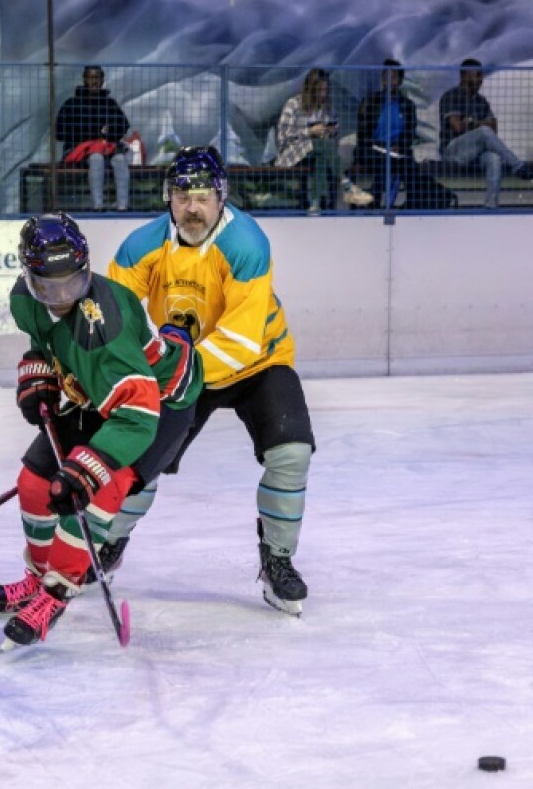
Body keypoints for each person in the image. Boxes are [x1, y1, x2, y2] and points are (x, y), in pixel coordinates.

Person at [107, 146, 314, 617]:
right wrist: (119, 376)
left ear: (222, 198)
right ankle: (109, 541)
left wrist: (172, 370)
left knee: (291, 451)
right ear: (168, 198)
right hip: (188, 369)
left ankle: (277, 560)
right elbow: (111, 321)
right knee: (137, 453)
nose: (193, 207)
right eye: (182, 196)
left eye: (203, 196)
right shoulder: (142, 247)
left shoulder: (246, 244)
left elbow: (241, 340)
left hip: (259, 363)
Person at [0, 213, 204, 648]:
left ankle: (58, 589)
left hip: (160, 403)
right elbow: (47, 343)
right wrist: (40, 373)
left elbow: (137, 419)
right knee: (35, 482)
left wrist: (86, 470)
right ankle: (37, 577)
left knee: (101, 485)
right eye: (50, 286)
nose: (63, 295)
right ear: (29, 277)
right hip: (102, 394)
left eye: (73, 281)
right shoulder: (24, 300)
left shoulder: (103, 332)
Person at [274, 68, 373, 214]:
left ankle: (315, 205)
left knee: (321, 157)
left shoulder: (327, 108)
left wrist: (330, 131)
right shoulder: (294, 105)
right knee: (321, 146)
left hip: (319, 152)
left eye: (325, 90)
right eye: (319, 90)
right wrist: (309, 131)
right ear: (311, 89)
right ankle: (347, 186)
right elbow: (282, 136)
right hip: (295, 154)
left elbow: (335, 130)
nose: (323, 94)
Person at [438, 58, 533, 209]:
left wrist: (469, 122)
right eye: (477, 75)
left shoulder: (481, 101)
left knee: (494, 158)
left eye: (481, 75)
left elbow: (493, 128)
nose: (481, 79)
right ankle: (517, 166)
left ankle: (491, 206)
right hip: (453, 151)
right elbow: (457, 127)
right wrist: (478, 124)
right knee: (483, 131)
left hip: (475, 153)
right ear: (464, 76)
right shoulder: (451, 96)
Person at [54, 66, 131, 212]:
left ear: (102, 81)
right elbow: (59, 132)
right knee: (96, 158)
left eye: (97, 78)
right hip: (80, 151)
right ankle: (98, 205)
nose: (94, 81)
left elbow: (123, 125)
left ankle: (123, 205)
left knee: (120, 159)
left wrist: (108, 134)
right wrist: (89, 137)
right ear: (85, 79)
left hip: (107, 149)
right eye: (91, 78)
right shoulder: (72, 104)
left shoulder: (109, 103)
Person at [353, 59, 423, 208]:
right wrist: (380, 146)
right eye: (386, 76)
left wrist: (399, 146)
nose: (389, 80)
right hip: (374, 149)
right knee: (384, 161)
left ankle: (411, 204)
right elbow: (363, 132)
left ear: (400, 81)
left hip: (398, 150)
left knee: (408, 165)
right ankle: (376, 202)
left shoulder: (407, 105)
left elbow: (410, 132)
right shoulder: (370, 102)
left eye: (393, 77)